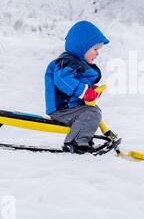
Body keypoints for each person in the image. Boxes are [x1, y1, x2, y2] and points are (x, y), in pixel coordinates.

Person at [44, 21, 109, 154]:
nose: (97, 54)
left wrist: (92, 90)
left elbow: (78, 80)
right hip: (62, 108)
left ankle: (83, 137)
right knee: (91, 113)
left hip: (71, 107)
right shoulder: (67, 61)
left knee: (93, 111)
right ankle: (76, 143)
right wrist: (85, 92)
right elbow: (63, 79)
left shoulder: (78, 62)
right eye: (95, 49)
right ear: (82, 48)